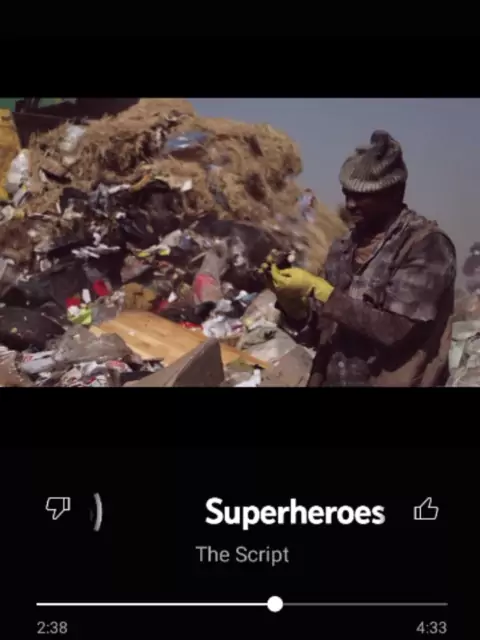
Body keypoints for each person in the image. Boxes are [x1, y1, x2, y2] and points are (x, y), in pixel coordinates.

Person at [266, 130, 457, 387]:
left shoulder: (426, 246)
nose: (350, 204)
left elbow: (395, 330)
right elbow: (321, 334)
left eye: (361, 196)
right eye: (347, 194)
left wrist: (321, 291)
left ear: (394, 193)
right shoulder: (343, 247)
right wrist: (293, 305)